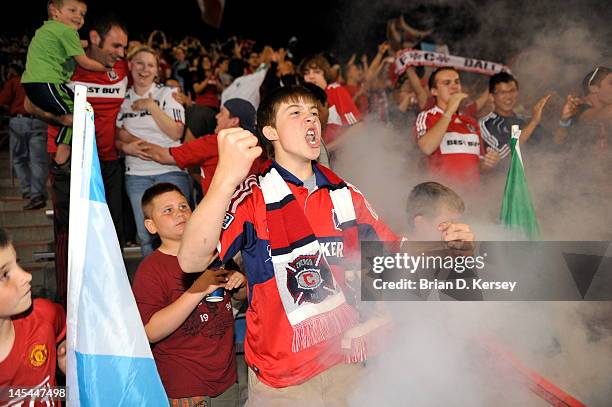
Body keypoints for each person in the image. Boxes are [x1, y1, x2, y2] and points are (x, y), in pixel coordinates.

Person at [178, 85, 475, 406]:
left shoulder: (345, 194)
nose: (311, 120)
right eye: (295, 113)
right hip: (282, 381)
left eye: (313, 113)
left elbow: (396, 253)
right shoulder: (253, 196)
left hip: (344, 365)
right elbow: (193, 260)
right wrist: (225, 177)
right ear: (270, 132)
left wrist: (447, 247)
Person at [132, 183, 245, 406]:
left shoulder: (215, 254)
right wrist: (198, 289)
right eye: (168, 210)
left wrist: (240, 283)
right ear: (151, 226)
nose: (179, 213)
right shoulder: (151, 269)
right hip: (186, 387)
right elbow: (151, 332)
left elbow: (238, 298)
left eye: (184, 206)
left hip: (226, 380)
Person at [46, 15, 128, 308]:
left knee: (112, 232)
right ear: (94, 38)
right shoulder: (64, 64)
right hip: (72, 164)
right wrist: (66, 119)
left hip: (108, 163)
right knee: (70, 236)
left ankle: (112, 302)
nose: (121, 53)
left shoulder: (122, 68)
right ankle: (70, 305)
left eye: (124, 47)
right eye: (115, 45)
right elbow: (32, 103)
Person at [116, 45, 192, 256]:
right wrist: (125, 146)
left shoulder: (169, 93)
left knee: (181, 231)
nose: (144, 69)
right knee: (145, 235)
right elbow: (115, 133)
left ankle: (186, 282)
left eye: (150, 65)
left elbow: (176, 132)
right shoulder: (121, 98)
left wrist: (152, 106)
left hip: (171, 170)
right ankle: (154, 286)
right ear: (130, 66)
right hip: (137, 174)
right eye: (139, 63)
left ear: (157, 70)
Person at [21, 0, 108, 170]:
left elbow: (77, 45)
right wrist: (105, 68)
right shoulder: (67, 31)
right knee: (81, 115)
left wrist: (88, 43)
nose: (78, 16)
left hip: (33, 85)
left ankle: (62, 156)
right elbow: (84, 62)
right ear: (55, 12)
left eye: (82, 14)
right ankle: (61, 159)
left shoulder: (46, 30)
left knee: (78, 113)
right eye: (73, 10)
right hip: (48, 83)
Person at [137, 98, 261, 197]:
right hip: (256, 213)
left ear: (234, 121)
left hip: (222, 215)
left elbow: (162, 156)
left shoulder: (214, 142)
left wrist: (127, 146)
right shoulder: (260, 146)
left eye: (222, 113)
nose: (217, 116)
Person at [0, 228, 67, 404]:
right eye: (4, 275)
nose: (26, 276)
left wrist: (65, 349)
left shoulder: (44, 315)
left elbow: (67, 330)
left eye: (18, 263)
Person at [415, 67, 500, 191]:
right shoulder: (427, 116)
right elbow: (426, 147)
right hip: (441, 198)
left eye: (457, 82)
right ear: (434, 91)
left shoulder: (470, 122)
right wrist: (449, 111)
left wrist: (488, 163)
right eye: (447, 83)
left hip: (472, 198)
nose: (454, 86)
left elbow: (479, 165)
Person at [0, 64, 48, 210]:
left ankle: (27, 190)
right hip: (39, 120)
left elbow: (2, 100)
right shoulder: (43, 80)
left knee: (19, 159)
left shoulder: (15, 81)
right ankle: (37, 194)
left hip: (19, 121)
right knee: (38, 161)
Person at [479, 72, 550, 161]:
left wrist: (564, 120)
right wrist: (533, 122)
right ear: (491, 97)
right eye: (503, 92)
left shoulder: (525, 120)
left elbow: (553, 145)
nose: (508, 97)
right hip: (505, 174)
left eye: (512, 91)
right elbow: (502, 154)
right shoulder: (485, 124)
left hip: (539, 172)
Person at [300, 54, 362, 151]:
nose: (311, 76)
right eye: (306, 73)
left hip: (342, 158)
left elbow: (357, 127)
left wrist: (326, 150)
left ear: (325, 74)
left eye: (317, 72)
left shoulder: (335, 91)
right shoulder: (300, 100)